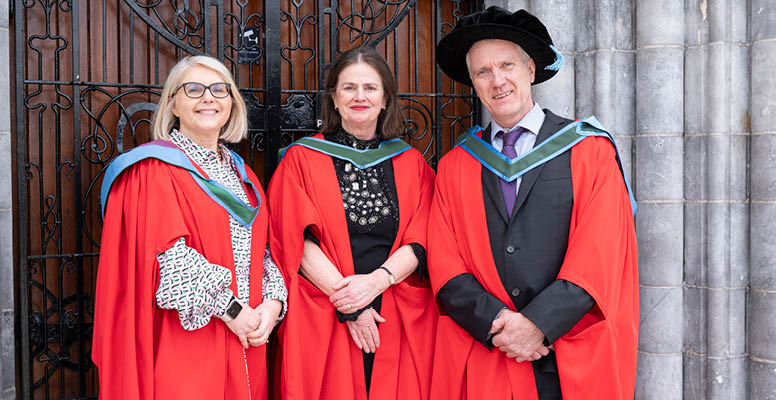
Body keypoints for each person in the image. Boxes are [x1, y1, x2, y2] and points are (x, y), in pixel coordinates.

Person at [428, 6, 639, 399]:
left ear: (529, 69)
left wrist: (538, 324)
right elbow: (444, 262)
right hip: (490, 351)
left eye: (506, 65)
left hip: (566, 350)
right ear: (473, 83)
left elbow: (601, 252)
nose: (497, 81)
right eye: (483, 71)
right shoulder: (456, 165)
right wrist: (498, 323)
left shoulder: (589, 150)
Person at [92, 55, 286, 400]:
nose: (208, 98)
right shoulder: (152, 170)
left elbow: (265, 252)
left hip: (249, 339)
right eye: (194, 89)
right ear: (173, 104)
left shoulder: (243, 176)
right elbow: (167, 260)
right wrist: (232, 311)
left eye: (219, 90)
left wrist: (272, 305)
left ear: (231, 103)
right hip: (190, 342)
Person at [268, 47, 437, 400]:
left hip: (394, 310)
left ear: (385, 99)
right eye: (349, 88)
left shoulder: (411, 163)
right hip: (327, 309)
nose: (360, 96)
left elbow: (424, 238)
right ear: (334, 97)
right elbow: (295, 240)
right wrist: (353, 304)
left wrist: (375, 283)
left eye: (370, 88)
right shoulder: (301, 159)